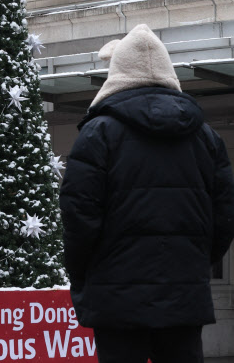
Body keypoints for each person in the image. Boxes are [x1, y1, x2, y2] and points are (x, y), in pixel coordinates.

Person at [60, 22, 234, 363]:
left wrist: (85, 275)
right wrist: (195, 262)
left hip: (116, 296)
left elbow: (78, 219)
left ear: (117, 74)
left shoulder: (98, 133)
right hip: (184, 294)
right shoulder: (206, 137)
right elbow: (224, 217)